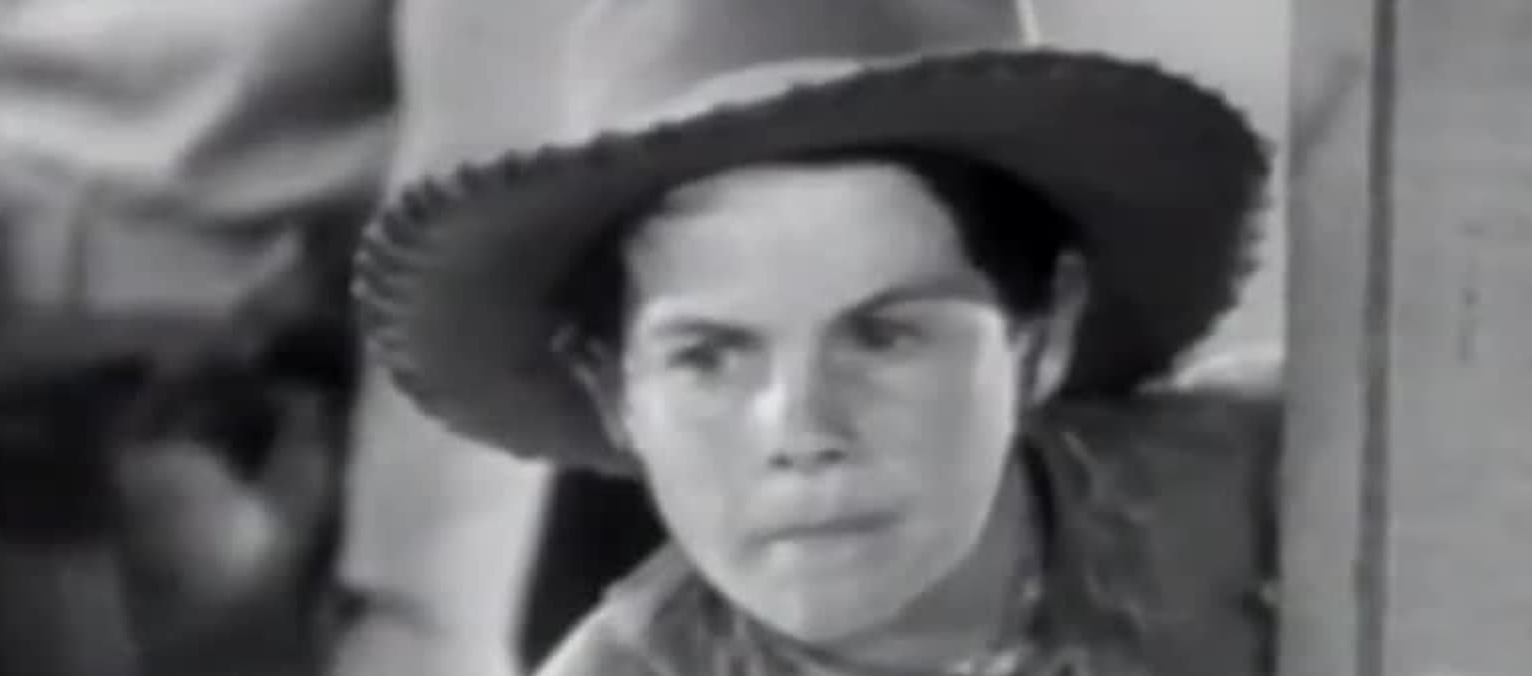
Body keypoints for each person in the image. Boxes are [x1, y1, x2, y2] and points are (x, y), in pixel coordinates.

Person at [353, 0, 1281, 673]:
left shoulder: (1277, 475)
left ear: (1042, 336)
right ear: (612, 391)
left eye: (883, 337)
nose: (801, 432)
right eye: (709, 357)